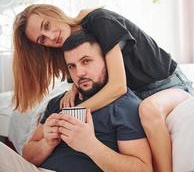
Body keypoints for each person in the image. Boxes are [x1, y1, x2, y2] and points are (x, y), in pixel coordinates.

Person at [13, 4, 194, 171]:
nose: (52, 36)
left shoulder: (100, 20)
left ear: (54, 13)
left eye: (47, 25)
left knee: (149, 110)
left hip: (168, 83)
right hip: (137, 92)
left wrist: (70, 114)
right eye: (42, 39)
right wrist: (74, 89)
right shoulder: (71, 48)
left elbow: (118, 87)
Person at [0, 31, 152, 172]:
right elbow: (27, 155)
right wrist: (46, 143)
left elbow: (142, 169)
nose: (79, 73)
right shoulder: (59, 102)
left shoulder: (124, 106)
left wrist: (90, 145)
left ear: (106, 60)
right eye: (72, 66)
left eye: (86, 61)